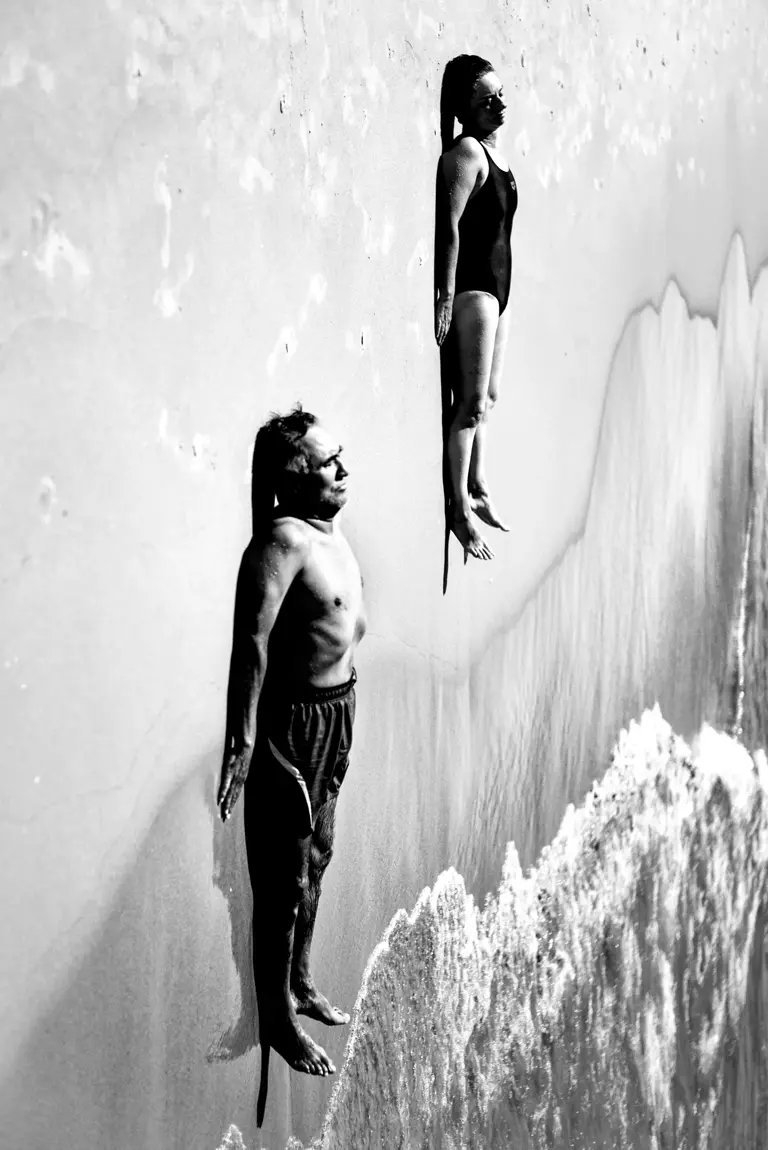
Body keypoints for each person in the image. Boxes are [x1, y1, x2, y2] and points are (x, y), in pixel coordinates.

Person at [217, 405, 366, 1126]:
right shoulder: (280, 542)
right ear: (293, 480)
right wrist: (244, 739)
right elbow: (252, 641)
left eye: (341, 455)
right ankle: (274, 1015)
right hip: (291, 727)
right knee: (285, 877)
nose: (344, 468)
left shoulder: (326, 530)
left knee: (323, 853)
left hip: (338, 712)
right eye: (327, 463)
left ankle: (301, 977)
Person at [434, 54, 518, 563]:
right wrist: (445, 294)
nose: (500, 104)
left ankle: (480, 484)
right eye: (487, 98)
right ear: (465, 106)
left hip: (500, 294)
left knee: (489, 396)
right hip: (476, 292)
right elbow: (451, 227)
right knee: (470, 405)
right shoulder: (467, 152)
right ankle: (460, 509)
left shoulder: (497, 155)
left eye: (502, 93)